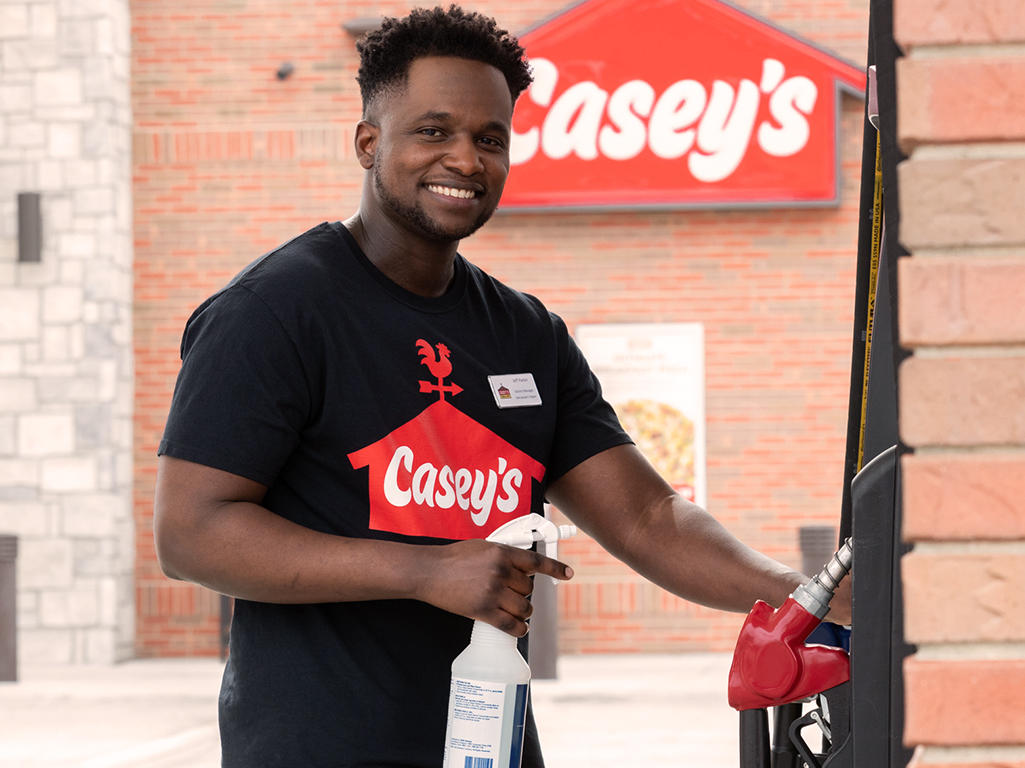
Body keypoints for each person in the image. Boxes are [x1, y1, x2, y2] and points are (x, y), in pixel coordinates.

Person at [154, 6, 851, 767]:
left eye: (490, 139)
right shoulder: (275, 311)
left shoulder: (523, 332)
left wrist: (799, 592)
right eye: (433, 131)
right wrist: (424, 570)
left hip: (491, 747)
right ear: (366, 142)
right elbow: (190, 533)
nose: (465, 159)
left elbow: (648, 517)